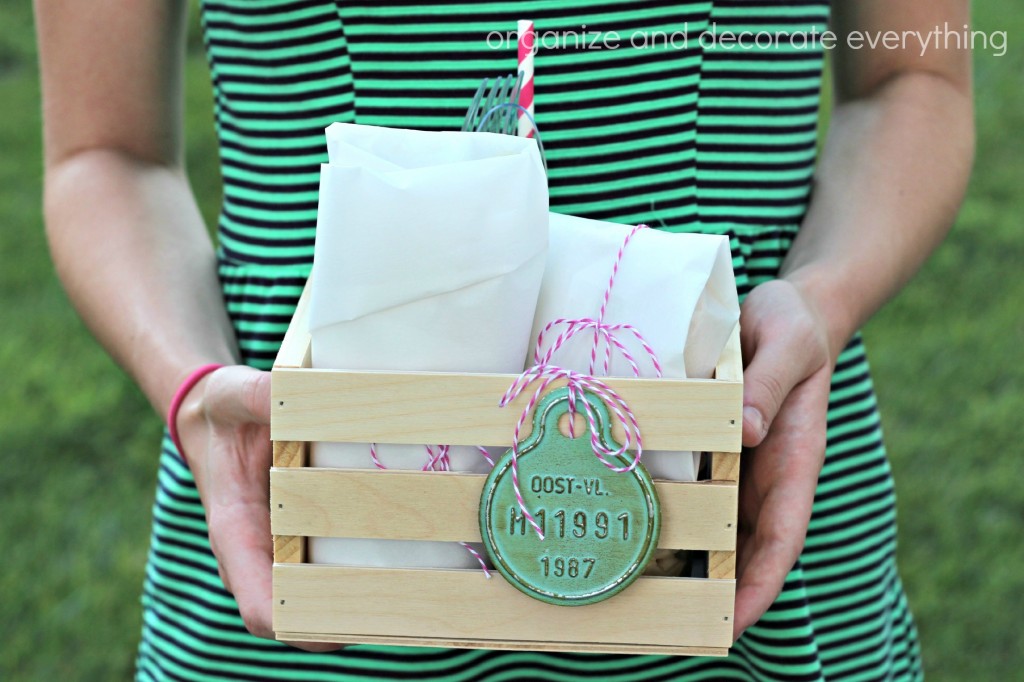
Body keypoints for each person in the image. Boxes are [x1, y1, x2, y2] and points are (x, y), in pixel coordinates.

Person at [35, 0, 973, 679]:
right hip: (305, 537)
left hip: (743, 523)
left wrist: (822, 295)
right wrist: (193, 383)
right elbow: (104, 151)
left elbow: (913, 73)